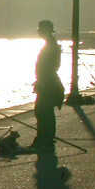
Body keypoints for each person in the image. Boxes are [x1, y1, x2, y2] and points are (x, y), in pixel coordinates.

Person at [29, 19, 64, 152]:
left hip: (48, 84)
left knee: (43, 111)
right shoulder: (50, 44)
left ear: (45, 30)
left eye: (40, 29)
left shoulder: (51, 46)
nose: (38, 31)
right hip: (46, 82)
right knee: (43, 111)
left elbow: (51, 66)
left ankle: (46, 140)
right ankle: (45, 139)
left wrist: (42, 80)